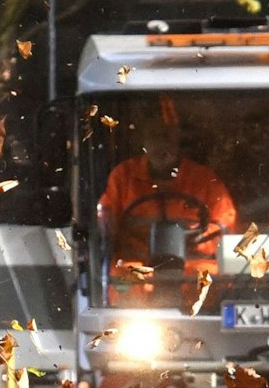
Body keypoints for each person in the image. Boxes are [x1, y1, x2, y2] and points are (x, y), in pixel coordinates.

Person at [98, 102, 238, 269]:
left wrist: (191, 242)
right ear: (143, 141)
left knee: (207, 275)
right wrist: (107, 226)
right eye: (155, 136)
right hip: (139, 265)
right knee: (122, 279)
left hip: (190, 264)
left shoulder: (205, 180)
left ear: (177, 140)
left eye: (167, 136)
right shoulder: (123, 177)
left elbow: (225, 224)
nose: (161, 145)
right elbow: (105, 218)